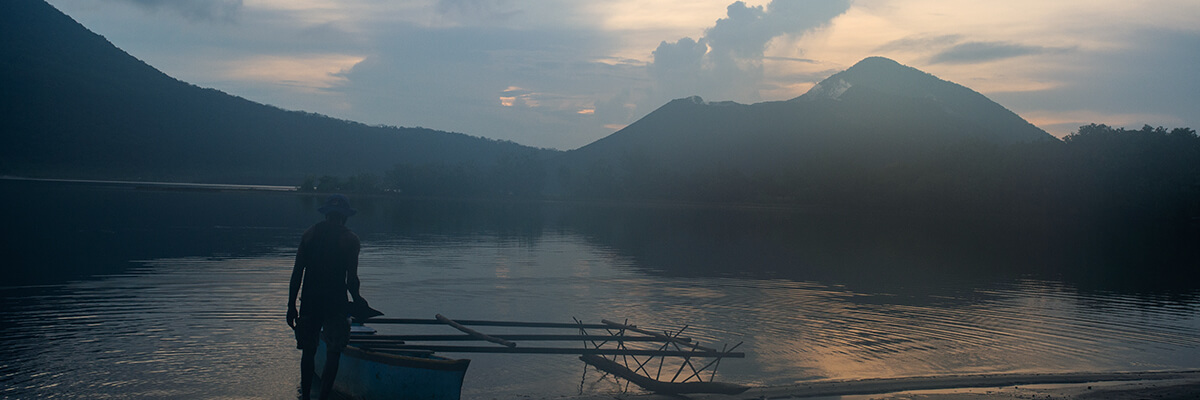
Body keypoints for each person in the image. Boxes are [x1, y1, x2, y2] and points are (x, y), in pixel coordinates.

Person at [287, 194, 363, 400]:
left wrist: (291, 306)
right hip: (335, 302)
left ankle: (305, 398)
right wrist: (358, 301)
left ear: (327, 214)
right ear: (345, 216)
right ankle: (324, 397)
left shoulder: (309, 234)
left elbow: (297, 273)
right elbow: (351, 280)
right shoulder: (350, 239)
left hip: (310, 301)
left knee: (308, 350)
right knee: (334, 350)